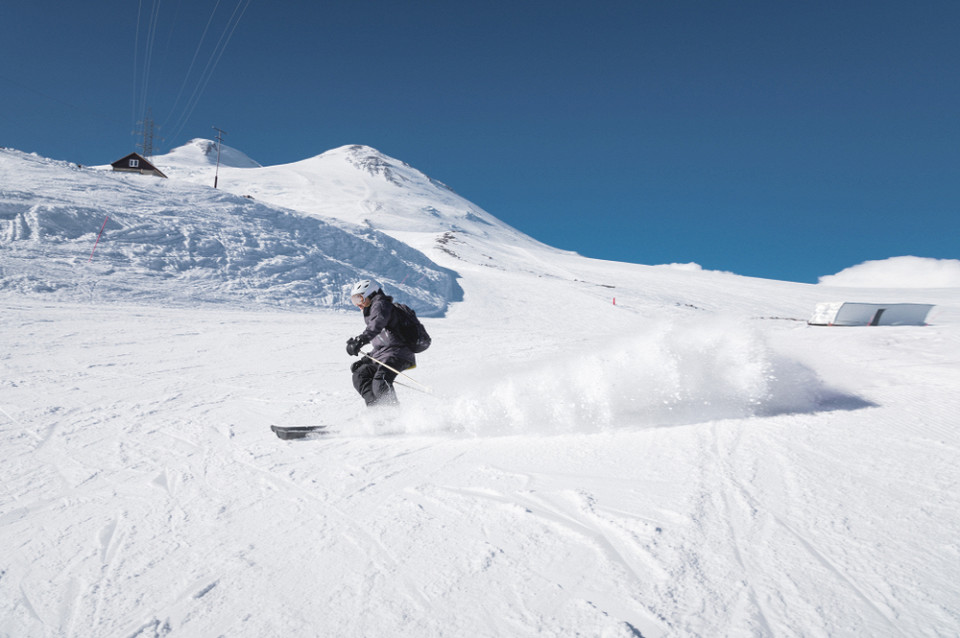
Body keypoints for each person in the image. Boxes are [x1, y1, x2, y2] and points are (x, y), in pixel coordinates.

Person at [346, 280, 415, 407]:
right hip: (385, 354)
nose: (358, 304)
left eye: (359, 298)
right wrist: (365, 360)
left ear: (370, 294)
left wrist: (361, 340)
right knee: (360, 375)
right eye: (354, 300)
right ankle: (377, 413)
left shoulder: (381, 306)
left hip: (399, 353)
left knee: (380, 380)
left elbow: (376, 325)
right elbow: (382, 344)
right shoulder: (373, 312)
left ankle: (393, 416)